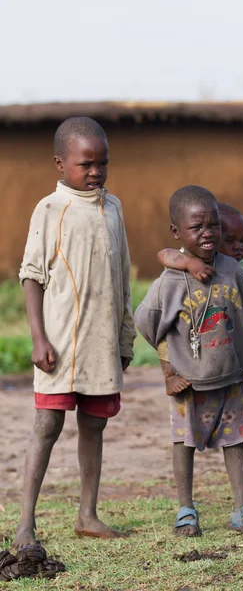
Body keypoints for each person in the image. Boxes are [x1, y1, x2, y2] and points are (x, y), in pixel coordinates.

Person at [13, 117, 136, 548]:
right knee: (47, 424)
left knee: (95, 426)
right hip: (61, 342)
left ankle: (88, 514)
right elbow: (31, 276)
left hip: (102, 342)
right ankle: (25, 524)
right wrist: (38, 337)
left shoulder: (114, 208)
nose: (96, 172)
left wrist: (125, 337)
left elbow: (122, 278)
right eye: (86, 164)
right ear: (60, 164)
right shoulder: (51, 208)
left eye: (102, 163)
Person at [135, 185, 243, 537]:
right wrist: (172, 363)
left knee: (235, 441)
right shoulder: (171, 280)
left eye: (213, 226)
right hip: (189, 382)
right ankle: (186, 510)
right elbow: (146, 320)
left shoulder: (231, 268)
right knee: (184, 443)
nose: (208, 233)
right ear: (177, 232)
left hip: (230, 378)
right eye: (197, 228)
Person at [157, 201, 243, 394]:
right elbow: (164, 254)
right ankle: (170, 376)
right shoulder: (189, 258)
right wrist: (189, 263)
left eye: (242, 240)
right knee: (166, 334)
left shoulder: (241, 267)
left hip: (229, 325)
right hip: (188, 322)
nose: (239, 247)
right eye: (230, 241)